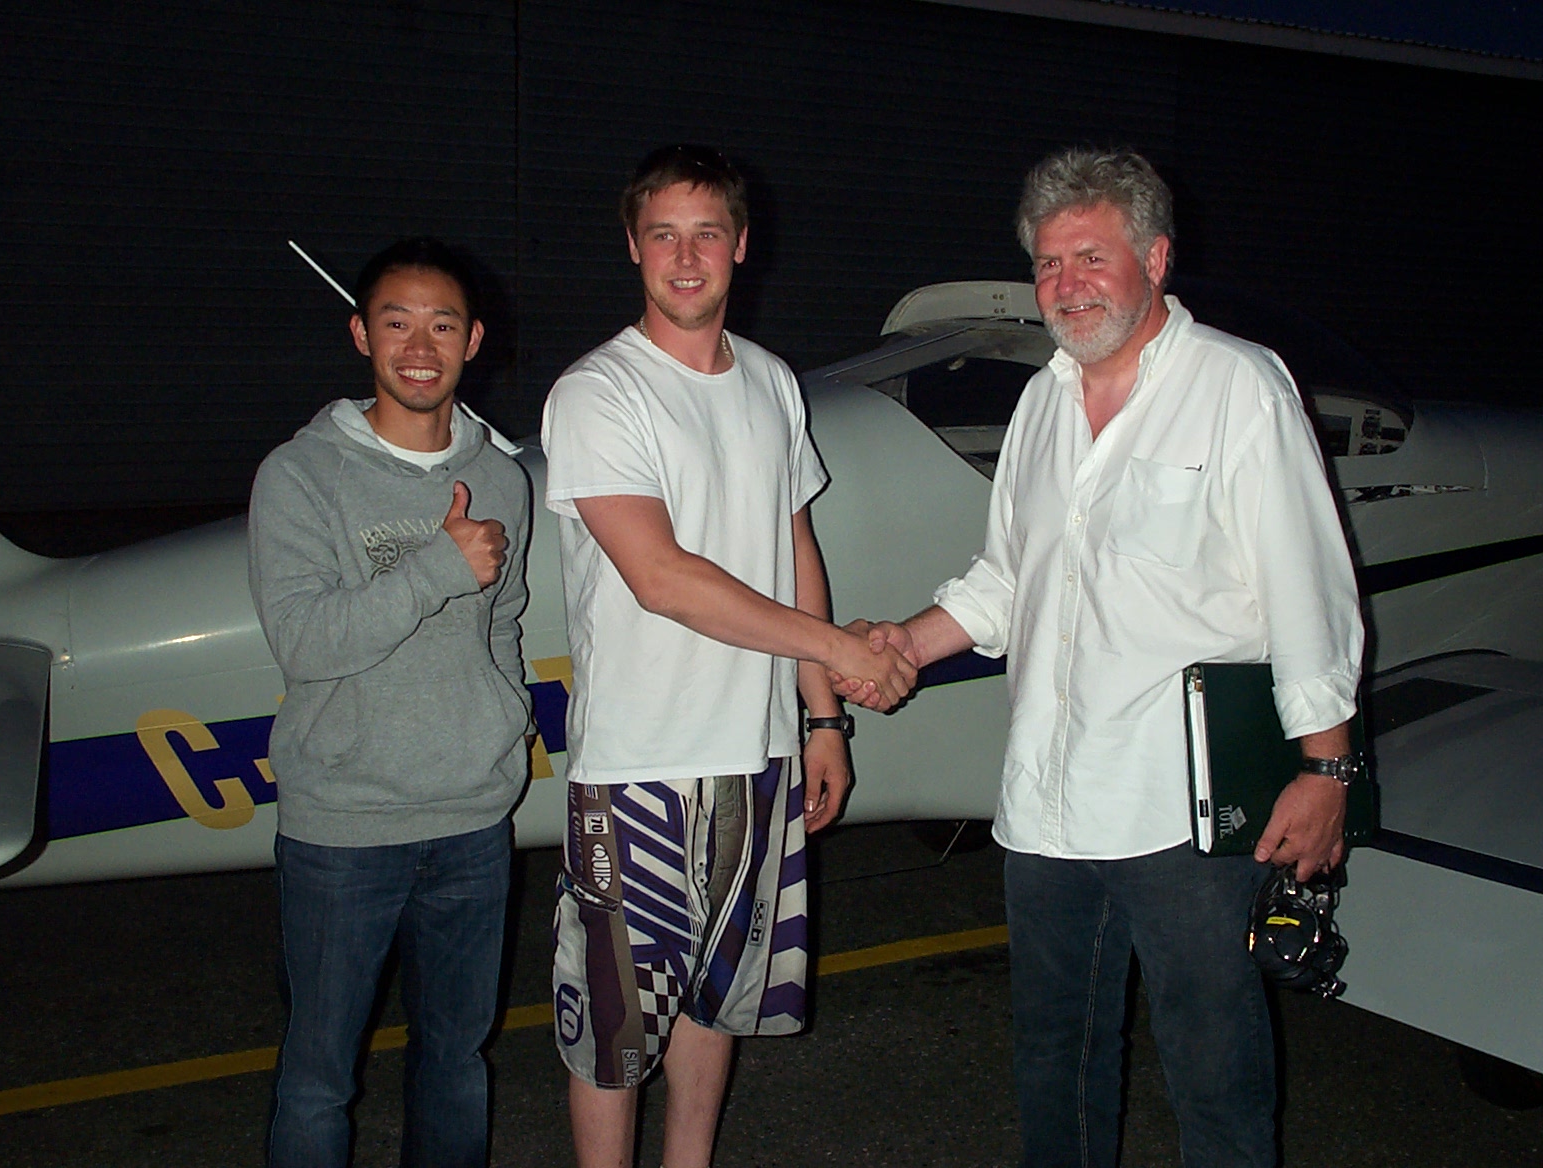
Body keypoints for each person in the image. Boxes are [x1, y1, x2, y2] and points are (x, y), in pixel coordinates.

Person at [839, 148, 1365, 1168]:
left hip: (1181, 808)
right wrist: (906, 639)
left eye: (1090, 255)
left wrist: (1325, 766)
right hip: (1047, 802)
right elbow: (1004, 580)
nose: (1064, 284)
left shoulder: (1237, 388)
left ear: (1156, 257)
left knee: (1212, 1067)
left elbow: (1310, 584)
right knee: (1054, 1054)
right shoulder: (1041, 402)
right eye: (1046, 263)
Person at [540, 144, 915, 1168]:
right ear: (632, 246)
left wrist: (821, 717)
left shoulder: (771, 382)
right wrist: (841, 651)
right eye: (662, 233)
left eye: (706, 231)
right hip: (635, 770)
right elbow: (660, 575)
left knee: (716, 1003)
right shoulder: (596, 392)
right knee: (613, 1035)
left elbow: (793, 543)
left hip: (756, 759)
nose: (685, 255)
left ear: (740, 245)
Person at [247, 237, 533, 1168]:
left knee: (456, 1059)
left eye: (442, 324)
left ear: (474, 339)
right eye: (398, 322)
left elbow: (507, 622)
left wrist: (503, 720)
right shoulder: (299, 475)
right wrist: (436, 570)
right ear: (361, 334)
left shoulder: (502, 477)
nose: (420, 345)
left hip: (472, 822)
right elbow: (304, 642)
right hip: (343, 829)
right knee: (319, 1077)